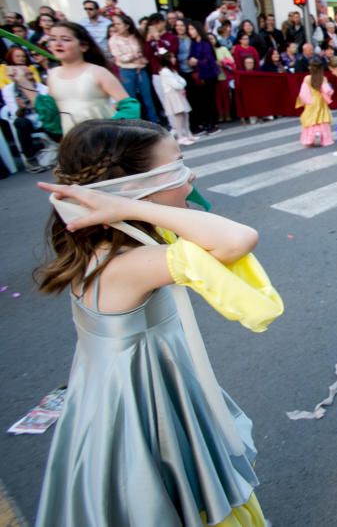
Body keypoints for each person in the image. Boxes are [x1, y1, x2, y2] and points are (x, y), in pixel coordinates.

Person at [33, 119, 283, 526]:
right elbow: (237, 239)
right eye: (178, 168)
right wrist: (132, 205)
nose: (191, 176)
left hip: (127, 394)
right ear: (133, 189)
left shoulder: (123, 247)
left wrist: (132, 206)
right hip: (144, 408)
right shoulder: (123, 264)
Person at [45, 22, 132, 135]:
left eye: (66, 39)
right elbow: (53, 112)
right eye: (53, 39)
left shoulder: (97, 72)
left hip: (104, 138)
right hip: (72, 140)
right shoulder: (52, 75)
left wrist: (116, 128)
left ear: (83, 46)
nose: (58, 43)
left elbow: (128, 105)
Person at [0, 47, 52, 172]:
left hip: (44, 117)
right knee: (21, 122)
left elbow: (47, 108)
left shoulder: (41, 88)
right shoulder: (9, 90)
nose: (28, 77)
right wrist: (21, 108)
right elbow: (15, 114)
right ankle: (31, 159)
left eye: (30, 74)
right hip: (26, 119)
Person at [184, 21, 221, 136]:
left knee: (210, 99)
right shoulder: (194, 43)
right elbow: (190, 56)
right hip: (199, 75)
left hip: (209, 74)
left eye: (192, 29)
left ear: (197, 30)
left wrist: (197, 62)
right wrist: (190, 61)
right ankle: (206, 122)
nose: (190, 32)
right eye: (189, 30)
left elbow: (209, 59)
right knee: (202, 100)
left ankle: (213, 123)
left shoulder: (205, 43)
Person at [156, 52, 195, 146]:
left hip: (178, 94)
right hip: (173, 95)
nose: (174, 59)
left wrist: (181, 84)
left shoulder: (172, 70)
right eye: (171, 58)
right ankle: (180, 137)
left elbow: (182, 80)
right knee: (179, 116)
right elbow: (176, 84)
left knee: (185, 114)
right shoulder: (165, 71)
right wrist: (181, 85)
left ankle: (188, 134)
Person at [296, 56, 334, 148]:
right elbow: (327, 91)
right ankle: (324, 138)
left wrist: (305, 101)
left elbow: (303, 93)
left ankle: (310, 138)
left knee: (311, 120)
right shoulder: (323, 78)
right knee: (322, 119)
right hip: (320, 101)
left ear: (310, 67)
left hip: (311, 101)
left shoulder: (307, 78)